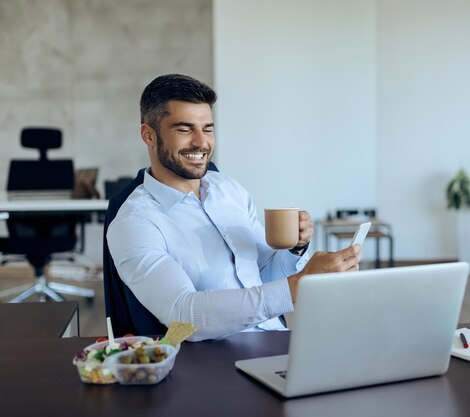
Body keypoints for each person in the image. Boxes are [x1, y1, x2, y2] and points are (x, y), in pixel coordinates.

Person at [107, 74, 361, 341]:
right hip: (214, 363)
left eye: (207, 128)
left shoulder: (228, 189)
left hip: (276, 341)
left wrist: (295, 248)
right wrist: (296, 287)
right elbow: (183, 316)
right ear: (148, 135)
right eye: (184, 129)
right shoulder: (133, 223)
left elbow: (261, 274)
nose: (201, 142)